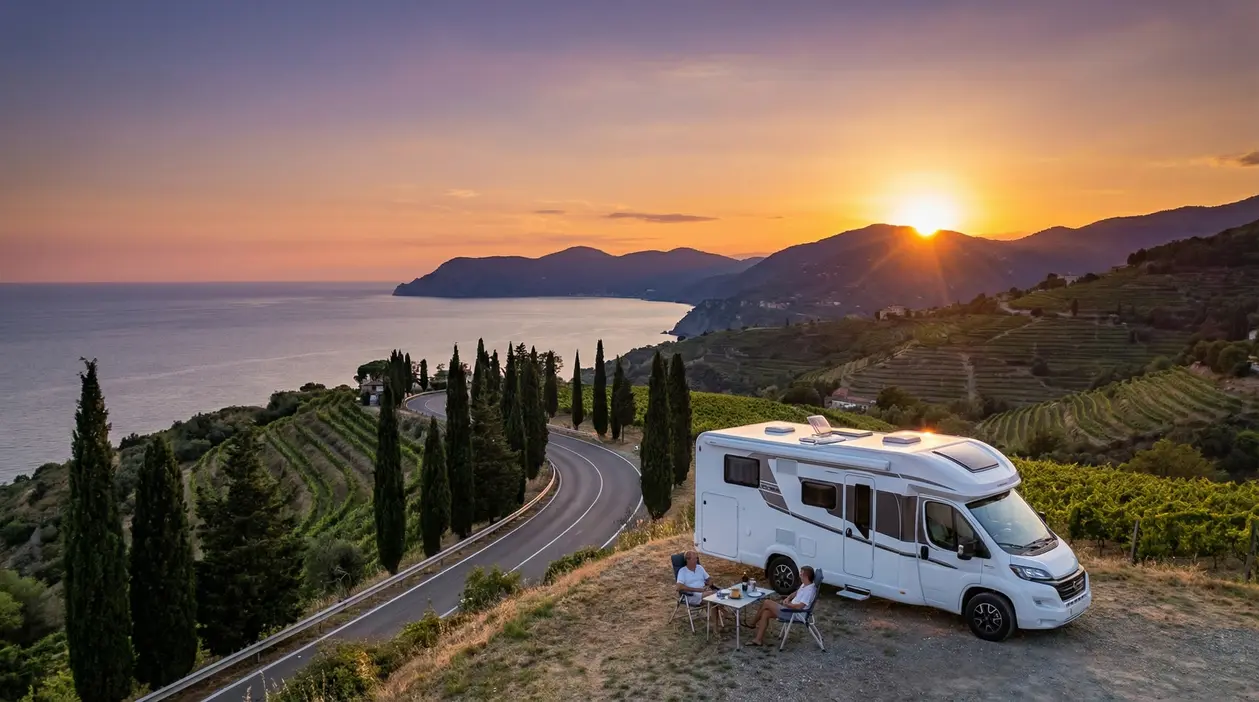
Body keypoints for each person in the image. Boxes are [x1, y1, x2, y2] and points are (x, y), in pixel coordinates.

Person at [747, 565, 817, 646]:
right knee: (765, 613)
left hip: (795, 614)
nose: (799, 575)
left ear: (806, 576)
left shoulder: (809, 590)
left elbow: (799, 607)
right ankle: (758, 640)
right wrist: (788, 598)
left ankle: (752, 623)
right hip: (790, 609)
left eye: (801, 574)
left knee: (766, 602)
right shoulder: (805, 584)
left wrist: (788, 604)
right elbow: (796, 593)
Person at [675, 550, 722, 628]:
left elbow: (709, 578)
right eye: (694, 559)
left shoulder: (699, 567)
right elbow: (679, 587)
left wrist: (708, 584)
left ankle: (715, 627)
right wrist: (698, 590)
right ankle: (725, 614)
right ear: (688, 560)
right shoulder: (682, 571)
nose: (697, 560)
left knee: (712, 600)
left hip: (705, 592)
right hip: (691, 595)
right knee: (716, 595)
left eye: (697, 558)